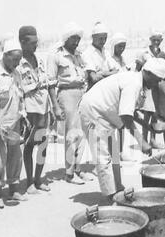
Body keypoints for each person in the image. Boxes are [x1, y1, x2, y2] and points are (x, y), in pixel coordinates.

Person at [79, 58, 165, 201]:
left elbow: (131, 112)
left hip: (105, 114)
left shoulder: (139, 84)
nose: (157, 84)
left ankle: (118, 188)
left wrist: (148, 126)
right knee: (103, 156)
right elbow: (126, 117)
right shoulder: (133, 83)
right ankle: (111, 196)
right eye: (157, 80)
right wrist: (141, 141)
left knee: (114, 153)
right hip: (93, 112)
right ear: (148, 73)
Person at [0, 38, 28, 208]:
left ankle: (14, 189)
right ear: (5, 55)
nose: (17, 63)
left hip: (15, 122)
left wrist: (23, 116)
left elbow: (20, 96)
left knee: (15, 156)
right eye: (14, 59)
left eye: (19, 60)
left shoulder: (16, 73)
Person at [48, 22, 93, 184]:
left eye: (78, 38)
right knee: (70, 135)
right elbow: (51, 82)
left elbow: (86, 74)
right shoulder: (56, 55)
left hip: (81, 93)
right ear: (66, 39)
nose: (76, 42)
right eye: (73, 38)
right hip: (66, 94)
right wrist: (55, 105)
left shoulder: (79, 55)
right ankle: (69, 172)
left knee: (82, 134)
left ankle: (78, 168)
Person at [18, 26, 55, 193]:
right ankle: (30, 181)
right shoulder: (18, 62)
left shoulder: (38, 60)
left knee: (43, 143)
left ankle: (38, 179)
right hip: (30, 107)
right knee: (29, 144)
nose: (36, 46)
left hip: (44, 106)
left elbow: (47, 84)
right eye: (32, 43)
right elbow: (19, 89)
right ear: (22, 42)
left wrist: (52, 108)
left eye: (36, 42)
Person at [108, 32, 134, 162]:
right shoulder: (109, 60)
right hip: (112, 96)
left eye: (123, 46)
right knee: (111, 126)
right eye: (119, 46)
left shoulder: (123, 60)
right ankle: (112, 154)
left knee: (122, 125)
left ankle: (121, 151)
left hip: (123, 96)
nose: (121, 49)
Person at [135, 31, 163, 146]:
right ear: (150, 40)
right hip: (146, 87)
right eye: (154, 40)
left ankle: (153, 139)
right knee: (146, 115)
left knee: (155, 114)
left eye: (158, 40)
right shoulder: (144, 53)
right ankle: (144, 139)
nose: (156, 42)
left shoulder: (162, 53)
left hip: (157, 87)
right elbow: (137, 69)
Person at [82, 22, 118, 91]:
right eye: (101, 38)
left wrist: (102, 73)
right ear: (93, 37)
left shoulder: (106, 52)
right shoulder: (87, 53)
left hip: (107, 89)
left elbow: (116, 71)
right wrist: (109, 73)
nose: (103, 41)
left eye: (105, 38)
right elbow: (94, 78)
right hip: (93, 91)